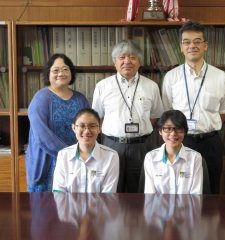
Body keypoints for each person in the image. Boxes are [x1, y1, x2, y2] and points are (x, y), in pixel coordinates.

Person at [161, 21, 225, 194]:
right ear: (181, 47)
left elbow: (224, 111)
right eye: (187, 42)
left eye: (197, 41)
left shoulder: (220, 76)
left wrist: (205, 126)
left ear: (205, 45)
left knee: (212, 188)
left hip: (211, 142)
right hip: (181, 141)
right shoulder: (171, 77)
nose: (192, 45)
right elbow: (167, 112)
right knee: (181, 188)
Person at [92, 40, 164, 192]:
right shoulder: (102, 86)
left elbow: (155, 117)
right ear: (114, 62)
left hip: (142, 146)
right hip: (111, 145)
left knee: (139, 190)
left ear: (139, 62)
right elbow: (97, 118)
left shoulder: (151, 86)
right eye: (122, 57)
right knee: (111, 190)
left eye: (132, 57)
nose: (127, 61)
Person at [26, 53, 89, 192]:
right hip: (48, 163)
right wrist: (70, 155)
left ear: (71, 73)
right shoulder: (41, 98)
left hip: (77, 163)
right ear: (48, 74)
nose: (61, 73)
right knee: (46, 210)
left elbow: (89, 128)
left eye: (65, 69)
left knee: (74, 209)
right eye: (56, 70)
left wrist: (84, 155)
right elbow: (42, 136)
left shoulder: (81, 99)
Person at [52, 108, 119, 193]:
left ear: (99, 128)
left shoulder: (111, 156)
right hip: (68, 206)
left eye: (92, 126)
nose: (87, 131)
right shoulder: (63, 155)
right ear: (74, 128)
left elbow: (108, 195)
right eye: (82, 126)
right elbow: (59, 192)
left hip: (99, 206)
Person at [144, 110, 203, 194]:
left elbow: (196, 196)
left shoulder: (195, 158)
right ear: (160, 131)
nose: (173, 133)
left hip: (185, 207)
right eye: (168, 129)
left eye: (178, 129)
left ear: (185, 132)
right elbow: (149, 195)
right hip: (158, 207)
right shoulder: (150, 157)